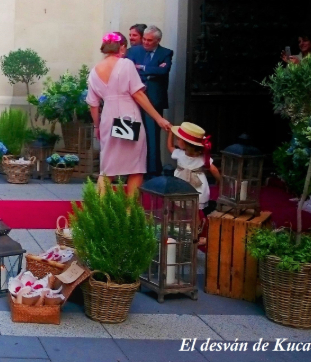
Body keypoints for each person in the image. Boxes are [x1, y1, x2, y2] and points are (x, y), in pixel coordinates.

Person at [87, 32, 171, 197]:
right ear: (122, 47)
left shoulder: (94, 71)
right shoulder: (126, 64)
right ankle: (129, 211)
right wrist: (158, 118)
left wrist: (97, 125)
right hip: (127, 117)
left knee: (108, 168)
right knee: (136, 167)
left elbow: (93, 104)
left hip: (108, 118)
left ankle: (98, 210)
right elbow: (138, 95)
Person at [126, 24, 173, 177]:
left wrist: (143, 68)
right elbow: (128, 71)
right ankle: (129, 168)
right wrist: (152, 71)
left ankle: (152, 170)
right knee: (131, 132)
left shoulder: (166, 53)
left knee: (152, 135)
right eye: (144, 39)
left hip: (154, 99)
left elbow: (163, 71)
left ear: (158, 41)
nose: (145, 42)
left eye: (149, 40)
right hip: (133, 98)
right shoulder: (132, 51)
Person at [166, 122, 221, 246]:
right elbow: (213, 169)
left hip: (186, 186)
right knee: (189, 209)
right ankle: (188, 231)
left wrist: (169, 134)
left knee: (187, 209)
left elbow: (169, 147)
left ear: (185, 144)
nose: (177, 140)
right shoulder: (199, 157)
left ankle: (193, 232)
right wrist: (220, 180)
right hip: (195, 187)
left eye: (178, 139)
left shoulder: (182, 154)